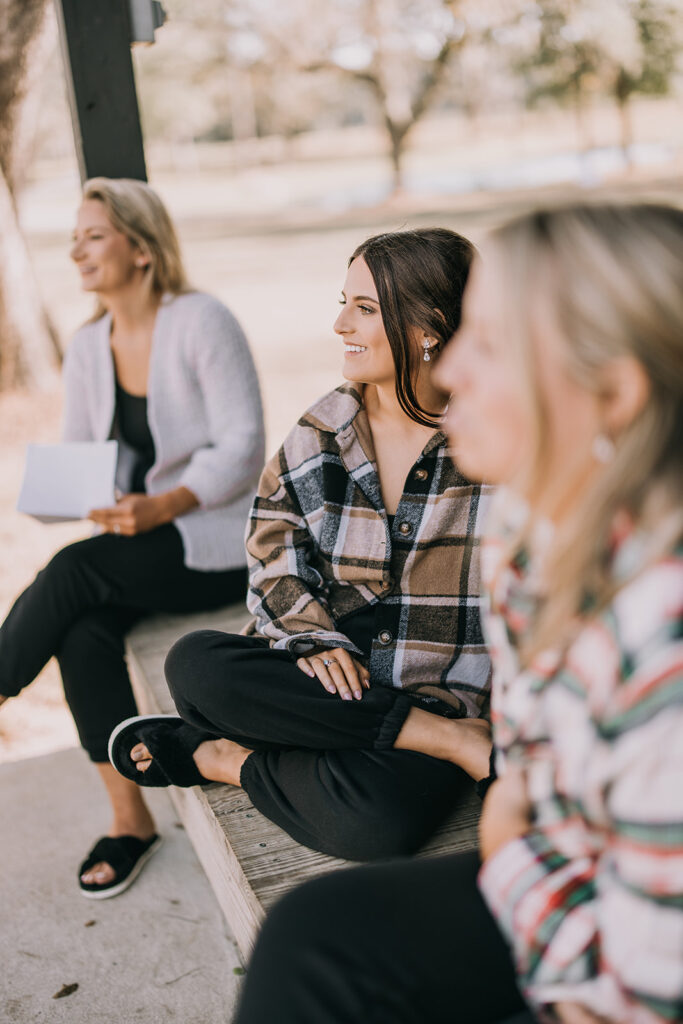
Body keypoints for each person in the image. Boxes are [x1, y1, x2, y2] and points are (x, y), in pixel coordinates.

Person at [229, 201, 683, 1024]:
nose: (452, 366)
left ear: (612, 391)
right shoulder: (537, 542)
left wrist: (509, 840)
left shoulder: (663, 643)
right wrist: (312, 634)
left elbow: (628, 998)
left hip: (610, 949)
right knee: (315, 930)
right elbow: (527, 796)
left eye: (492, 339)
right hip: (558, 863)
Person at [109, 227, 495, 862]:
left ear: (432, 327)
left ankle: (222, 757)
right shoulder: (322, 430)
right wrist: (311, 634)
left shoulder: (500, 438)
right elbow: (273, 547)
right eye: (343, 300)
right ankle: (443, 741)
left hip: (439, 686)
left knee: (375, 826)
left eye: (365, 308)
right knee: (196, 665)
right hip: (325, 677)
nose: (339, 322)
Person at [0, 177, 265, 898]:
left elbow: (243, 445)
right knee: (82, 626)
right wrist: (101, 502)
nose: (77, 251)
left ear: (141, 248)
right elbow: (85, 456)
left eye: (94, 235)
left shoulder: (202, 320)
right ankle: (130, 820)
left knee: (74, 572)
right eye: (75, 238)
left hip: (214, 540)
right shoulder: (89, 345)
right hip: (141, 546)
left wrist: (162, 504)